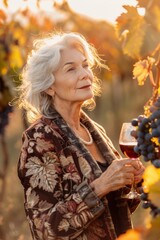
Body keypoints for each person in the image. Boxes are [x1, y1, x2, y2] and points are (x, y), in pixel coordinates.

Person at [17, 31, 145, 240]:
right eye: (71, 69)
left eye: (85, 65)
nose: (85, 74)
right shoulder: (40, 139)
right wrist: (100, 186)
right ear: (49, 86)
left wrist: (132, 182)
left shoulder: (93, 130)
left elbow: (114, 211)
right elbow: (45, 231)